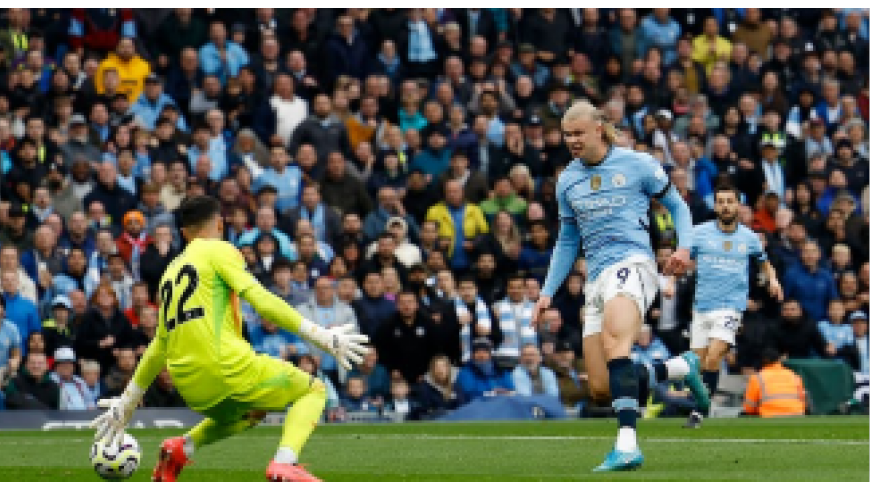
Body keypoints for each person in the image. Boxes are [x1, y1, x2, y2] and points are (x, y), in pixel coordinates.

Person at [89, 196, 369, 483]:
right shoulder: (220, 251)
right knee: (313, 390)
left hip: (190, 386)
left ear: (183, 233)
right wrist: (321, 335)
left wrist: (128, 401)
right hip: (227, 368)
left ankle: (182, 448)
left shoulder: (169, 273)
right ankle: (285, 463)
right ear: (220, 224)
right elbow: (260, 299)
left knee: (250, 412)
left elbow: (160, 344)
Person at [533, 101, 706, 472]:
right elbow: (567, 240)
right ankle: (679, 368)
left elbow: (677, 205)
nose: (572, 141)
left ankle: (627, 445)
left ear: (599, 129)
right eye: (567, 135)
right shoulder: (568, 180)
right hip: (595, 278)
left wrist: (684, 246)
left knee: (616, 345)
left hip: (633, 265)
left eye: (578, 133)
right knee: (601, 387)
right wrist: (547, 292)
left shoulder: (637, 163)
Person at [684, 183, 784, 429]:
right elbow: (683, 257)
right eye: (721, 201)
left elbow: (764, 262)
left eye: (730, 201)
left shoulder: (749, 238)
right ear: (715, 205)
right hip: (702, 307)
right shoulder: (699, 233)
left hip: (730, 307)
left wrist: (773, 279)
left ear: (738, 205)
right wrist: (672, 278)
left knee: (715, 355)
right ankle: (702, 401)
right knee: (698, 365)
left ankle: (699, 411)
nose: (726, 206)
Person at [742, 348, 807, 418]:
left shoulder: (757, 378)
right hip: (796, 414)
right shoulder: (794, 376)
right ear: (779, 360)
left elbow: (749, 408)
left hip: (770, 415)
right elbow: (804, 401)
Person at [455, 338, 516, 404]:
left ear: (490, 354)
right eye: (477, 352)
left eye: (485, 352)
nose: (481, 355)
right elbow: (469, 393)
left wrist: (505, 392)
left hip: (502, 406)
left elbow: (511, 389)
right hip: (478, 409)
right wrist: (492, 393)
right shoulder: (465, 372)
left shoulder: (501, 371)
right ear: (472, 355)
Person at [51, 346, 96, 411]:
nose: (66, 366)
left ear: (73, 366)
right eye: (63, 363)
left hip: (85, 418)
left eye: (69, 363)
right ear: (56, 366)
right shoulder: (51, 381)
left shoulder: (80, 381)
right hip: (62, 418)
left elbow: (90, 402)